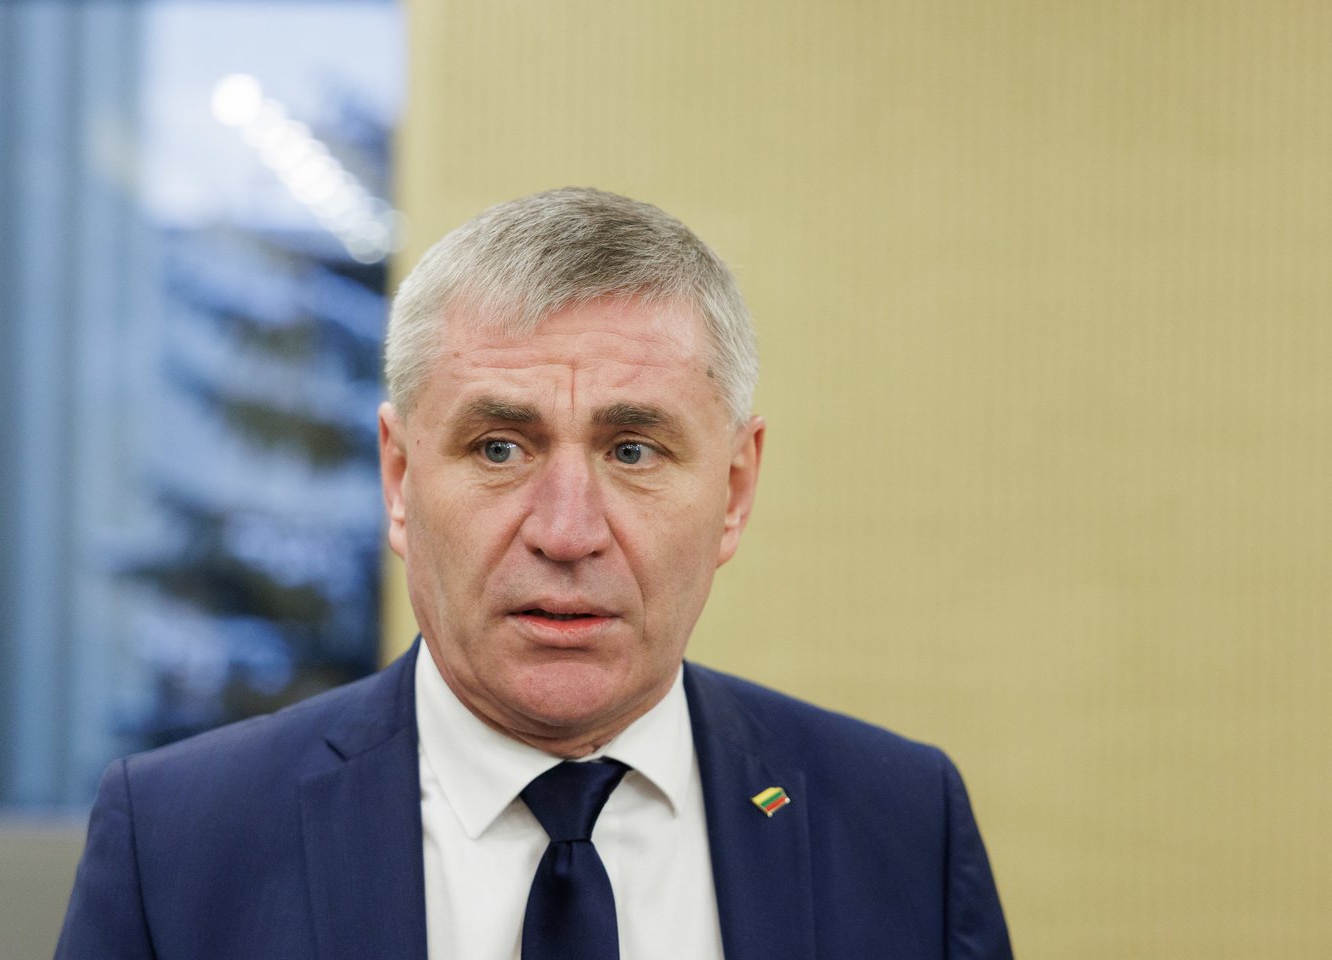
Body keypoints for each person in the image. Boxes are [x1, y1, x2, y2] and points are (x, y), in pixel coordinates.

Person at [56, 187, 1013, 960]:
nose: (567, 532)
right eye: (500, 448)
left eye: (633, 451)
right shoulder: (178, 844)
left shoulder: (901, 824)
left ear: (733, 490)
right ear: (398, 479)